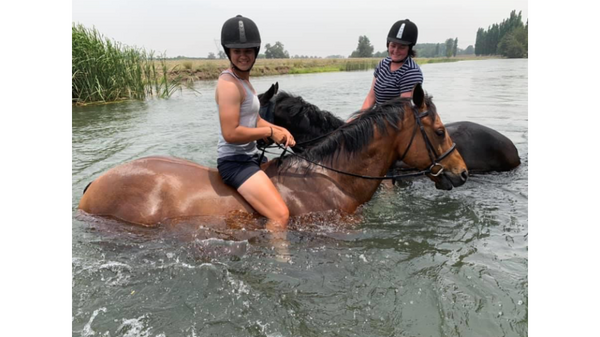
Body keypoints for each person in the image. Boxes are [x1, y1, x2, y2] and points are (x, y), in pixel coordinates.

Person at [215, 15, 296, 232]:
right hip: (235, 162)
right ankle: (278, 263)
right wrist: (269, 130)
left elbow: (253, 119)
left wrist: (280, 130)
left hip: (249, 156)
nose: (243, 56)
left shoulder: (243, 81)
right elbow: (230, 133)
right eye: (237, 51)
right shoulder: (229, 85)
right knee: (280, 215)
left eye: (248, 51)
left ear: (255, 52)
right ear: (229, 52)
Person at [359, 19, 423, 112]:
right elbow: (371, 98)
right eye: (393, 46)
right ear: (388, 44)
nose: (396, 51)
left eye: (402, 47)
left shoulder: (411, 72)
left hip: (395, 122)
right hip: (376, 119)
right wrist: (357, 120)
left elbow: (402, 110)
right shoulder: (383, 64)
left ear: (409, 49)